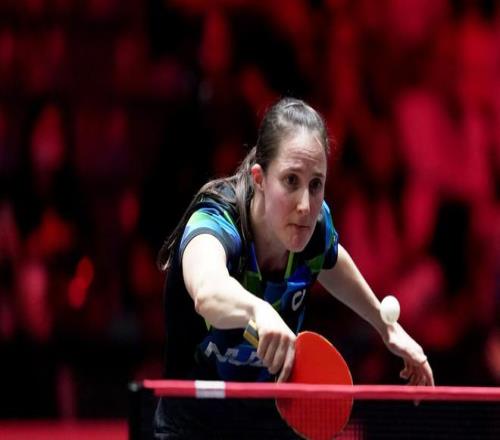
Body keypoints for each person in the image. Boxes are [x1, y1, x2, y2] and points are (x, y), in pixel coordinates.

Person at [153, 97, 434, 439]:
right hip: (189, 427)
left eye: (316, 184)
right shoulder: (214, 221)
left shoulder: (313, 229)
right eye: (290, 180)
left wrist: (385, 326)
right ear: (259, 178)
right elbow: (207, 291)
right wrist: (259, 311)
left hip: (265, 424)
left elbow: (330, 259)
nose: (305, 205)